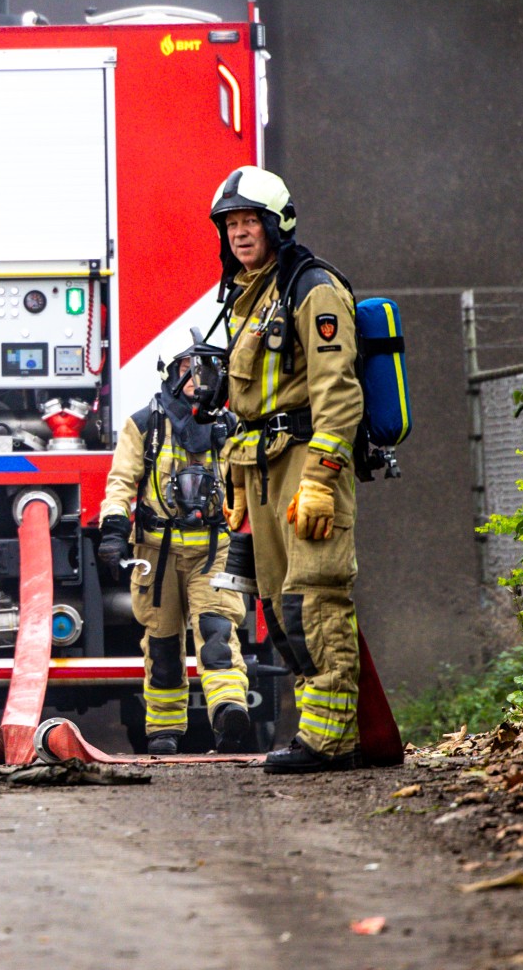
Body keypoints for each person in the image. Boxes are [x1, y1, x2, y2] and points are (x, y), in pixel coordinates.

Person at [210, 166, 364, 774]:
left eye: (250, 222)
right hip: (263, 466)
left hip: (305, 463)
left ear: (278, 225)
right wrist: (240, 482)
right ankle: (320, 733)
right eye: (231, 224)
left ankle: (332, 741)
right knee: (278, 607)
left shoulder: (312, 287)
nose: (240, 234)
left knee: (315, 599)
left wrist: (323, 476)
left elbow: (337, 391)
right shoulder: (249, 293)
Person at [96, 341, 253, 755]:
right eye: (188, 367)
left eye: (205, 369)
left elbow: (249, 485)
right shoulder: (144, 424)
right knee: (163, 644)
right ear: (172, 371)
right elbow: (119, 484)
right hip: (156, 553)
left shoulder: (230, 425)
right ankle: (163, 731)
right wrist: (113, 530)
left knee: (217, 632)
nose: (197, 377)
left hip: (213, 550)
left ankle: (228, 712)